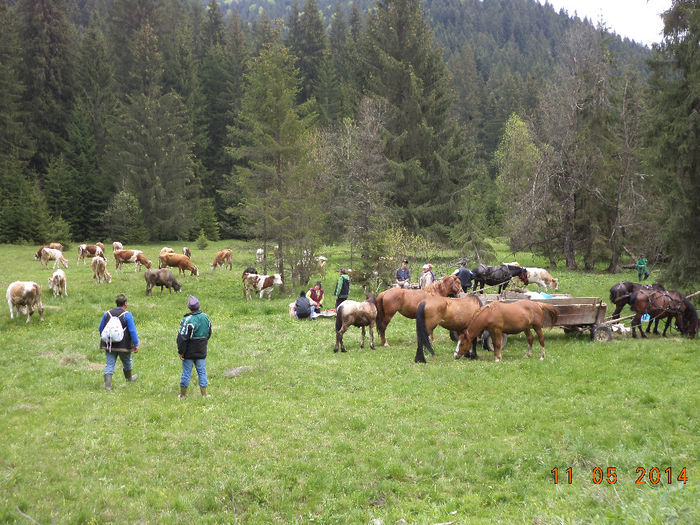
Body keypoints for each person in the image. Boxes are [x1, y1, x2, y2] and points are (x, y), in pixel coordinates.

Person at [98, 293, 139, 391]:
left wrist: (106, 339)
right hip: (123, 345)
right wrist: (136, 344)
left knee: (110, 364)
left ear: (116, 303)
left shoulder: (107, 313)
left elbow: (100, 328)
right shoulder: (127, 315)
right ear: (125, 303)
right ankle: (129, 378)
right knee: (127, 362)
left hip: (110, 344)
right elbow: (132, 331)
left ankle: (108, 386)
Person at [177, 295, 212, 399]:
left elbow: (182, 338)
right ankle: (204, 395)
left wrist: (181, 351)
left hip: (188, 351)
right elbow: (209, 332)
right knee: (202, 371)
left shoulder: (187, 320)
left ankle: (183, 395)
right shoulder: (206, 317)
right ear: (198, 306)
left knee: (186, 372)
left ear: (189, 307)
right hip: (201, 349)